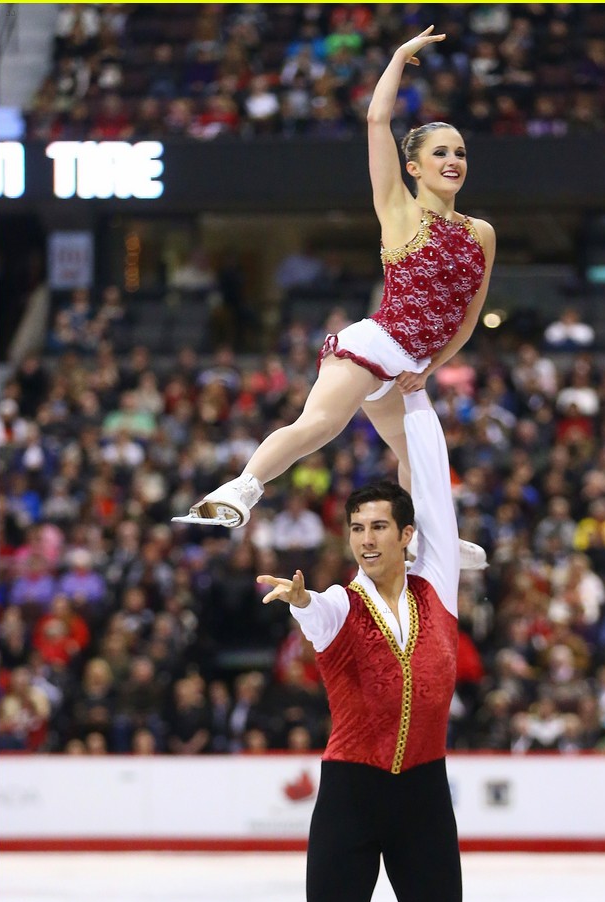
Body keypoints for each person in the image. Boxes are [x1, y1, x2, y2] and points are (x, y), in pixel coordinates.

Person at [173, 26, 496, 569]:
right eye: (440, 152)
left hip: (411, 366)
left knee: (421, 457)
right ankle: (239, 490)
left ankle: (428, 539)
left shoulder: (481, 232)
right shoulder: (399, 209)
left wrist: (430, 369)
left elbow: (467, 319)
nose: (453, 160)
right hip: (376, 345)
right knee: (322, 424)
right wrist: (398, 58)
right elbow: (376, 121)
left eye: (460, 152)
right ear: (413, 167)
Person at [258, 389, 477, 902]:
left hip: (423, 796)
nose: (365, 538)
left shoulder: (437, 588)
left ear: (406, 535)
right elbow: (315, 611)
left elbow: (435, 489)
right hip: (349, 798)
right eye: (356, 528)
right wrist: (300, 600)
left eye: (379, 526)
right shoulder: (334, 607)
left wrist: (413, 397)